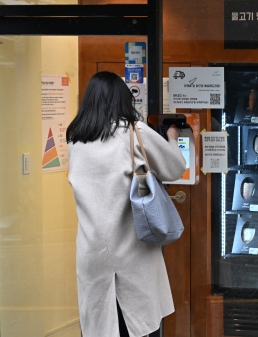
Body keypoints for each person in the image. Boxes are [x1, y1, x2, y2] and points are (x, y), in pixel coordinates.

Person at [66, 71, 186, 337]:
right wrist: (173, 137)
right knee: (137, 326)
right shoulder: (133, 132)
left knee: (100, 327)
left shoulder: (75, 140)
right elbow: (175, 168)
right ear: (122, 99)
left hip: (91, 255)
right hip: (132, 253)